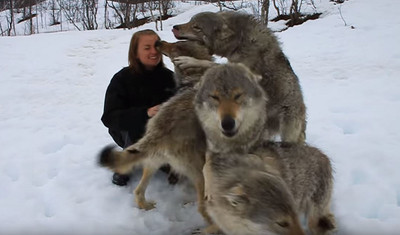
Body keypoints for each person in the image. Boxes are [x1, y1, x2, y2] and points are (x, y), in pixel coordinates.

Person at [101, 29, 177, 186]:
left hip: (162, 135)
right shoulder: (121, 79)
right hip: (129, 134)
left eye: (156, 46)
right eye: (147, 48)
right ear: (135, 52)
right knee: (138, 124)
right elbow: (109, 117)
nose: (154, 52)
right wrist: (146, 113)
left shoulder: (170, 78)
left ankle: (167, 161)